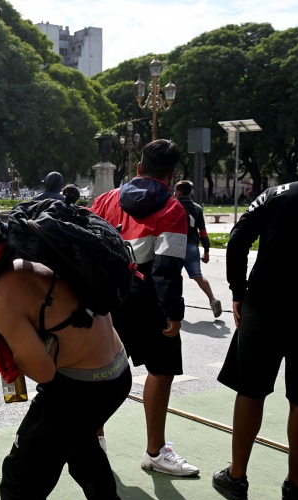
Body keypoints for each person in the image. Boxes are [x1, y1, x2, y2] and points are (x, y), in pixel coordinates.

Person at [0, 202, 130, 500]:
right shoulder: (27, 247)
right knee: (82, 450)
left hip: (81, 390)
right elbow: (21, 295)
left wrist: (4, 350)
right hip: (114, 371)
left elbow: (42, 371)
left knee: (21, 482)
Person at [90, 139, 198, 476]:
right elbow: (166, 267)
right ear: (172, 173)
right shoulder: (172, 208)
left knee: (99, 369)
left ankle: (94, 440)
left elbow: (88, 246)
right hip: (147, 298)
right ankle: (154, 451)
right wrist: (173, 312)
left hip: (106, 297)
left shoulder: (105, 200)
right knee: (161, 370)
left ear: (139, 168)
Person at [211, 181, 298, 500]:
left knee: (251, 389)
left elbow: (237, 240)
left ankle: (236, 477)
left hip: (265, 301)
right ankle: (297, 485)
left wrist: (238, 291)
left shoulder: (279, 193)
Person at [174, 180, 222, 318]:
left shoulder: (174, 206)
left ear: (179, 192)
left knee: (173, 276)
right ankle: (212, 299)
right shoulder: (197, 208)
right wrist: (206, 251)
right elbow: (203, 231)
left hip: (176, 246)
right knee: (198, 276)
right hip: (192, 247)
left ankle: (175, 305)